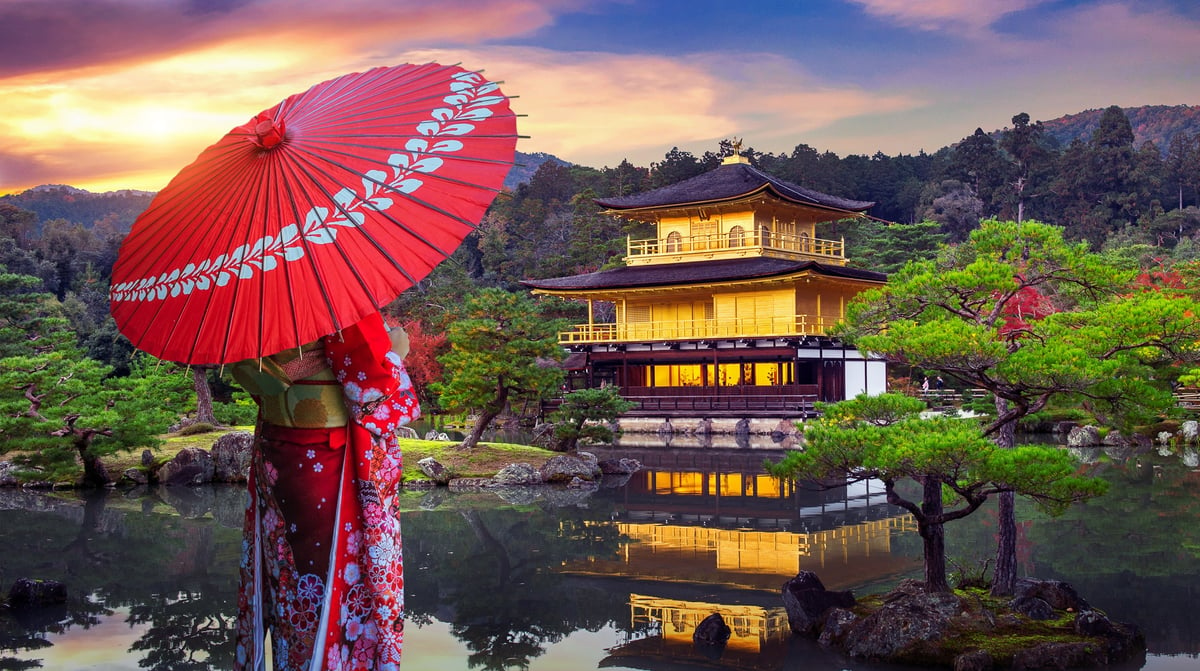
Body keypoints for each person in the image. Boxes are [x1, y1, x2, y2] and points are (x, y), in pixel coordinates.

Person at [231, 312, 419, 671]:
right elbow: (372, 395)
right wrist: (395, 351)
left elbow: (261, 384)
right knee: (327, 579)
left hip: (278, 456)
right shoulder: (338, 307)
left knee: (289, 577)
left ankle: (294, 660)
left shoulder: (257, 307)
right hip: (327, 459)